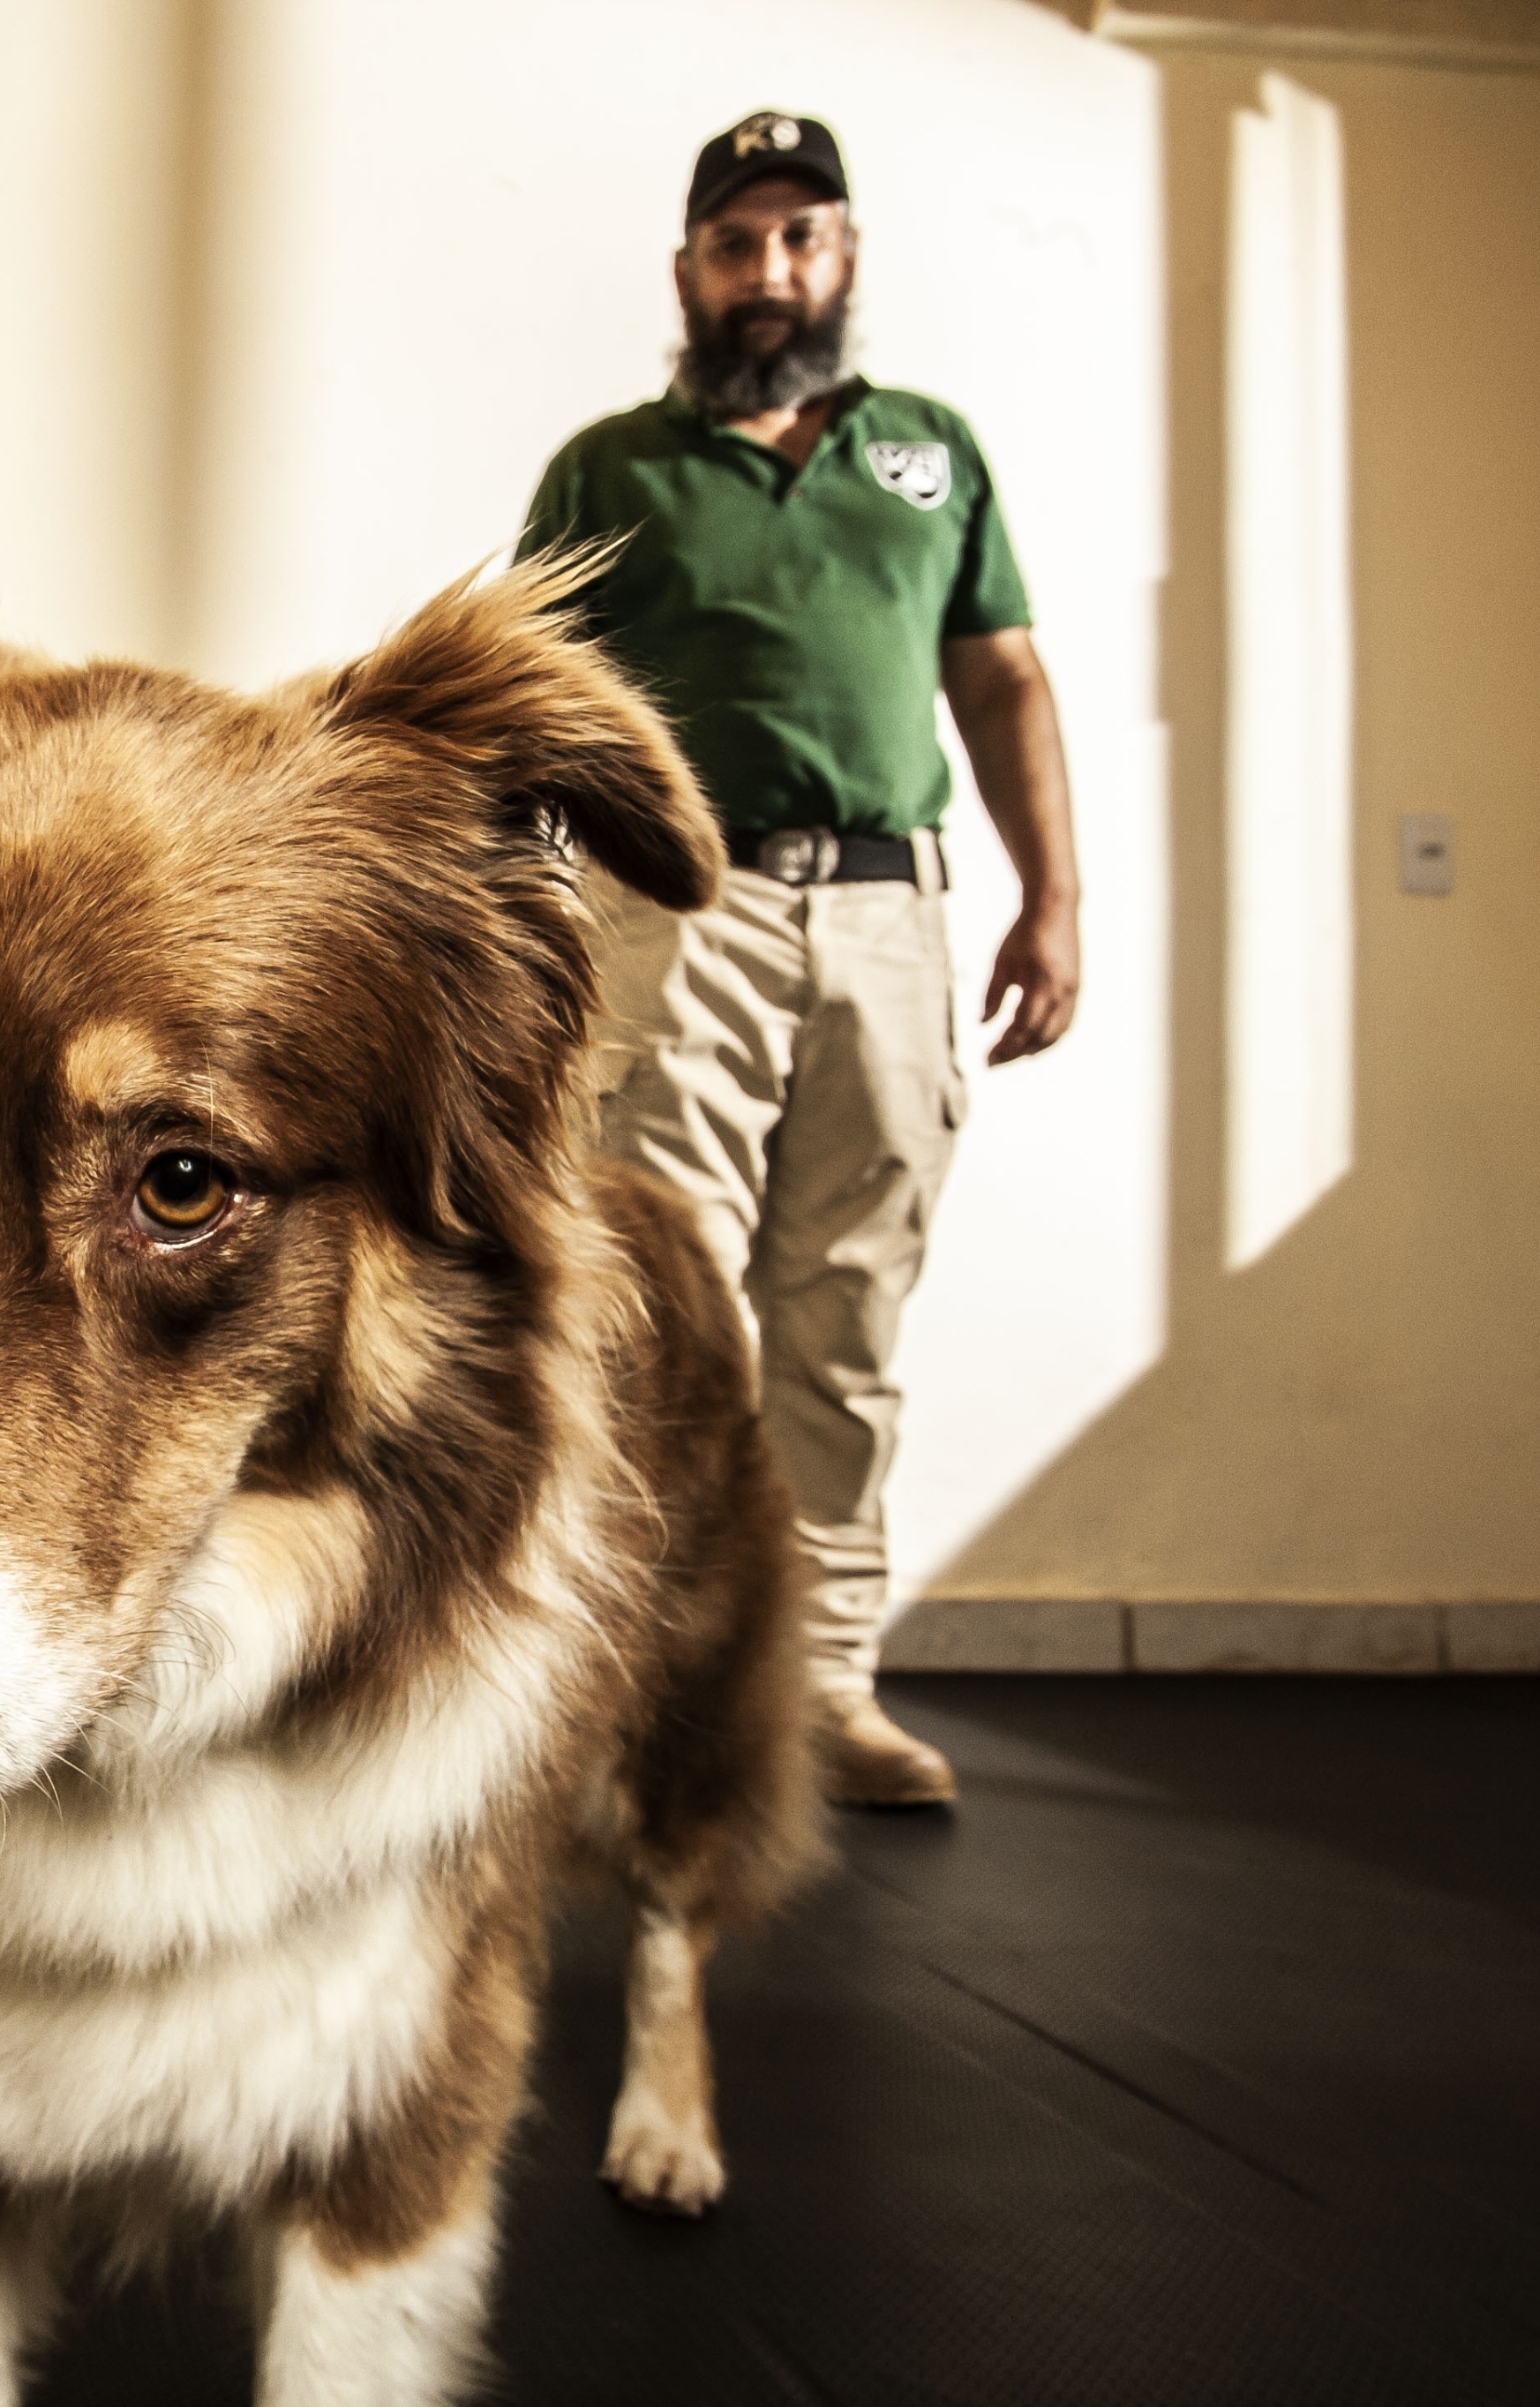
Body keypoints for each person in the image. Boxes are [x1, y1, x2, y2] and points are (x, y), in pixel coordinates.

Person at [518, 110, 1083, 1808]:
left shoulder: (934, 457)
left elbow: (1003, 687)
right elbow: (533, 706)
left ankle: (828, 1688)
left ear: (844, 256)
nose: (771, 273)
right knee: (661, 1313)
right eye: (737, 243)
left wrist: (1052, 902)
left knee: (847, 1310)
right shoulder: (610, 472)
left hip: (892, 921)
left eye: (802, 238)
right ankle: (642, 1697)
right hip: (676, 919)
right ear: (687, 271)